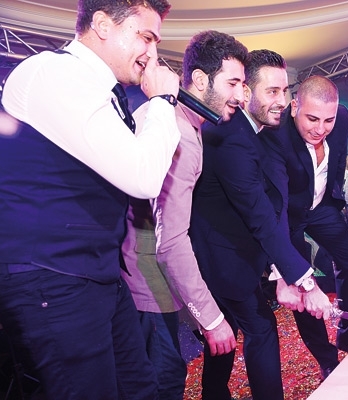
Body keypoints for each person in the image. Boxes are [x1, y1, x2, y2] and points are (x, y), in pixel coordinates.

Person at [0, 1, 180, 399]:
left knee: (140, 389)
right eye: (145, 37)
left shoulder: (100, 91)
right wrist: (163, 103)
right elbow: (143, 176)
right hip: (52, 274)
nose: (152, 53)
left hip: (96, 272)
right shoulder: (52, 73)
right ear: (102, 24)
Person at [189, 50, 332, 400]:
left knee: (226, 332)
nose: (282, 101)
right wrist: (305, 281)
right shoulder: (232, 137)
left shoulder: (256, 131)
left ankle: (213, 394)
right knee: (262, 328)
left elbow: (272, 206)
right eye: (272, 91)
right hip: (221, 256)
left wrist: (283, 274)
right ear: (246, 92)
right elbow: (259, 215)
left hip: (237, 251)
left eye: (284, 90)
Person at [120, 30, 245, 399]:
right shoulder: (180, 134)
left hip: (137, 271)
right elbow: (170, 241)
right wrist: (210, 319)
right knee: (164, 382)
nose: (241, 95)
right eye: (233, 83)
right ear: (201, 80)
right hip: (144, 278)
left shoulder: (173, 116)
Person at [262, 75, 348, 353]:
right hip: (288, 216)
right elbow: (276, 202)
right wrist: (283, 269)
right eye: (312, 119)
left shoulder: (342, 119)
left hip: (321, 207)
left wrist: (332, 197)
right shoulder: (275, 135)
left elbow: (338, 156)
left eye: (328, 120)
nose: (321, 129)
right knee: (300, 284)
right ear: (295, 107)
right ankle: (326, 357)